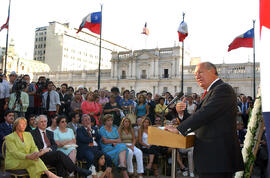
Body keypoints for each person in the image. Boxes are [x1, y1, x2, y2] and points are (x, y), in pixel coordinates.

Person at [165, 62, 244, 178]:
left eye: (200, 72)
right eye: (195, 75)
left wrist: (179, 129)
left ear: (212, 71)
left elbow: (205, 114)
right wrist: (181, 114)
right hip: (210, 157)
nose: (197, 77)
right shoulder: (211, 92)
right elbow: (202, 119)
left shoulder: (223, 89)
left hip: (217, 158)